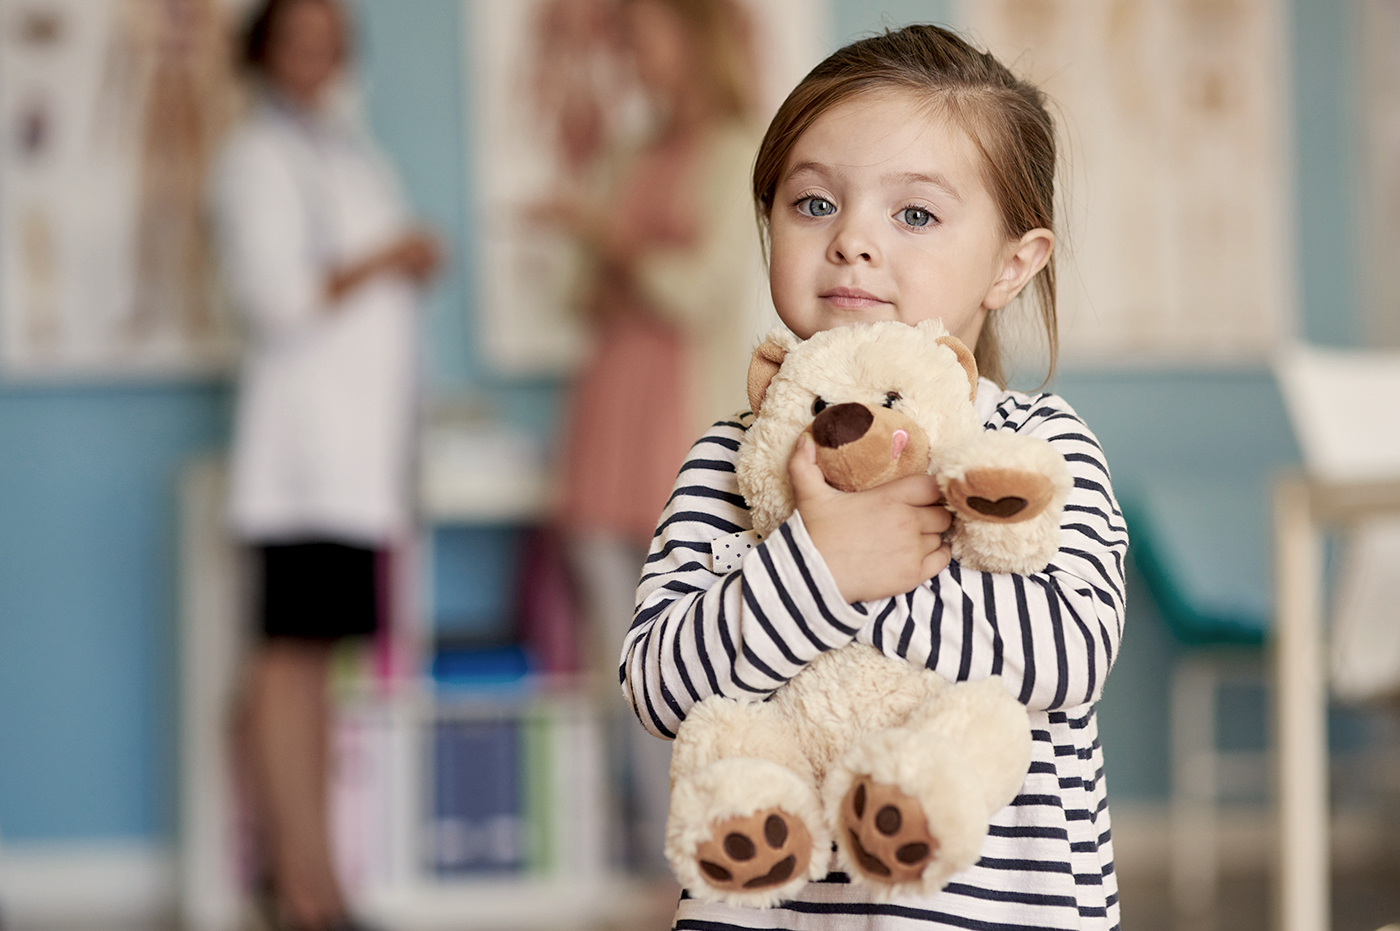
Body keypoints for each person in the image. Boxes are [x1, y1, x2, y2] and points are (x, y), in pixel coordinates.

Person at [621, 23, 1128, 929]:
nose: (852, 239)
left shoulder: (1034, 448)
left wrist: (874, 578)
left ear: (1014, 264)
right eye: (813, 204)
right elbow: (659, 686)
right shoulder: (729, 461)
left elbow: (1073, 651)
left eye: (916, 214)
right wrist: (818, 563)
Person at [212, 1, 439, 928]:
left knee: (314, 668)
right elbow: (277, 297)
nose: (319, 56)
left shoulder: (344, 149)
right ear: (262, 51)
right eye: (299, 39)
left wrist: (393, 262)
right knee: (284, 661)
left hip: (354, 460)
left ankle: (319, 885)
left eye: (331, 40)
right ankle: (303, 889)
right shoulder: (254, 159)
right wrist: (391, 254)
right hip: (303, 460)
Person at [539, 0, 770, 872]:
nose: (632, 56)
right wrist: (615, 262)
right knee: (618, 654)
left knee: (693, 655)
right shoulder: (628, 153)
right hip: (606, 415)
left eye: (643, 37)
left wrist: (607, 244)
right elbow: (577, 294)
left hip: (680, 424)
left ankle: (703, 850)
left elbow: (698, 288)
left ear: (692, 37)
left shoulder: (736, 148)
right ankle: (642, 852)